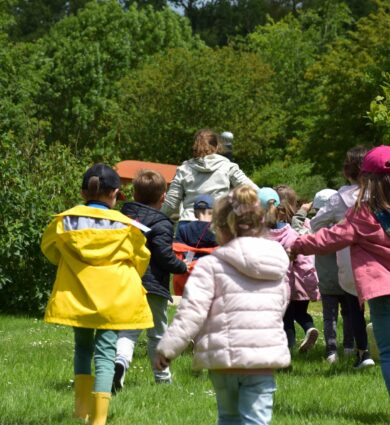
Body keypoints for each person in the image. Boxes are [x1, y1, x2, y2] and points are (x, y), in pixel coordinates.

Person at [155, 185, 290, 425]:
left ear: (220, 227)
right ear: (261, 222)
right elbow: (282, 302)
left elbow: (191, 312)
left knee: (228, 418)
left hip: (224, 360)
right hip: (263, 358)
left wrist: (168, 348)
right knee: (257, 420)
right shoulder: (277, 264)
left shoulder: (210, 266)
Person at [41, 163, 153, 425]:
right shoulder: (128, 227)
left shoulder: (63, 221)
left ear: (83, 193)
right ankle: (98, 420)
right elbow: (141, 259)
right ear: (115, 193)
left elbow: (49, 250)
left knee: (82, 348)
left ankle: (80, 411)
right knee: (105, 354)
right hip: (115, 299)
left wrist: (69, 261)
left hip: (77, 295)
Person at [290, 145, 390, 392]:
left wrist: (296, 245)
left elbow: (328, 238)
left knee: (388, 351)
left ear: (366, 180)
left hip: (381, 292)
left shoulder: (362, 214)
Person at [113, 170, 187, 390]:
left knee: (128, 330)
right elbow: (164, 257)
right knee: (158, 334)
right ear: (163, 197)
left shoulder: (121, 218)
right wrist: (182, 266)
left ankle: (120, 364)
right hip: (153, 287)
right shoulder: (162, 223)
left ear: (134, 194)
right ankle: (162, 379)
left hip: (126, 283)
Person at [310, 146, 375, 369]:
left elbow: (315, 223)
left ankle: (363, 352)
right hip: (381, 261)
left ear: (347, 171)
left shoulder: (339, 199)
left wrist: (340, 228)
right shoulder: (382, 193)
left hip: (350, 263)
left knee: (355, 308)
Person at [161, 129, 258, 233]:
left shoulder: (184, 169)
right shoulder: (228, 167)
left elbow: (171, 204)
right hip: (218, 223)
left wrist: (156, 218)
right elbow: (253, 191)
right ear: (216, 147)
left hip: (188, 225)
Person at [263, 186, 320, 352]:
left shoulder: (266, 231)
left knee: (286, 318)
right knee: (301, 313)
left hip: (281, 284)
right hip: (301, 280)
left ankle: (289, 348)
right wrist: (312, 286)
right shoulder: (300, 228)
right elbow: (305, 260)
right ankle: (309, 328)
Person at [311, 189, 354, 363]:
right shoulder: (345, 229)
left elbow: (300, 231)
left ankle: (331, 350)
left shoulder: (317, 232)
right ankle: (350, 346)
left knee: (330, 317)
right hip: (347, 278)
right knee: (349, 314)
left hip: (327, 281)